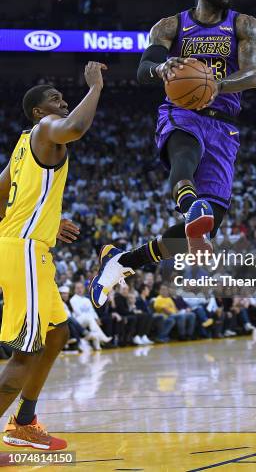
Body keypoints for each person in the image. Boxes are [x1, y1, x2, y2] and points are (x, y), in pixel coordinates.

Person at [90, 0, 256, 308]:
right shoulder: (171, 26)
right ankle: (189, 205)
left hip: (223, 123)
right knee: (184, 156)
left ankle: (122, 262)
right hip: (182, 111)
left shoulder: (245, 25)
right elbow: (142, 71)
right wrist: (160, 67)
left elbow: (253, 74)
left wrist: (216, 85)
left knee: (204, 230)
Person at [0, 62, 106, 450]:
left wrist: (45, 219)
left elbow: (3, 194)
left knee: (58, 332)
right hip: (24, 250)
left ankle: (23, 422)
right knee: (25, 354)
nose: (63, 103)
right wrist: (93, 89)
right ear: (38, 113)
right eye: (55, 100)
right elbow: (76, 128)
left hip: (30, 246)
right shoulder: (47, 129)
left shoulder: (23, 144)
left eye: (64, 98)